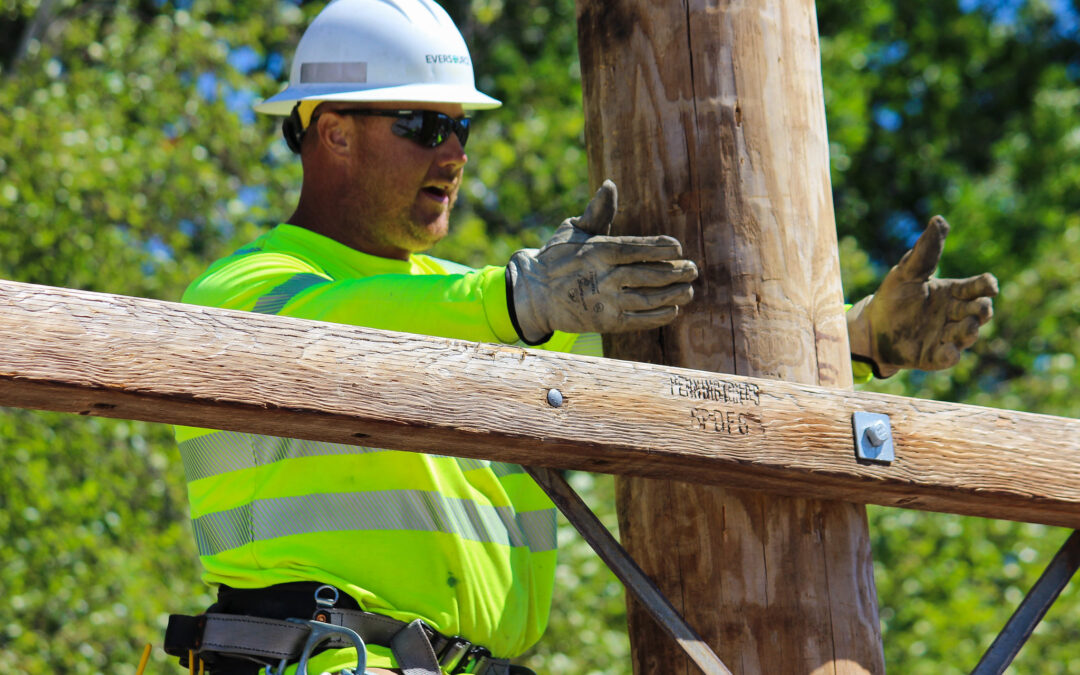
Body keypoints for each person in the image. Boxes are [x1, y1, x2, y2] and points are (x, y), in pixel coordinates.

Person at [163, 1, 996, 673]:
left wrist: (854, 344)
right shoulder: (248, 285)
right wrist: (520, 297)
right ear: (333, 131)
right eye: (422, 125)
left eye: (462, 128)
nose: (453, 152)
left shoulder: (463, 303)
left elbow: (662, 390)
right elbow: (336, 341)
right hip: (322, 659)